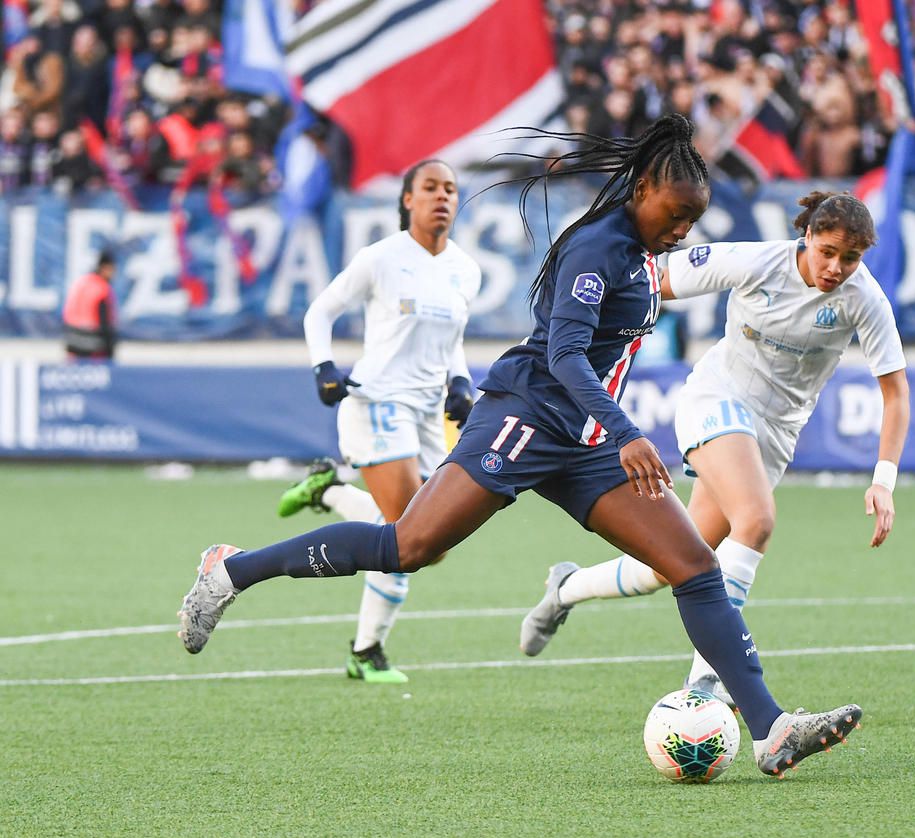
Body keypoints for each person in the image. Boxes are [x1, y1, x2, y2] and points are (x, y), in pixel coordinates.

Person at [178, 114, 862, 778]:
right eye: (677, 214)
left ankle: (771, 729)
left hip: (583, 439)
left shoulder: (642, 253)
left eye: (693, 219)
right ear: (643, 190)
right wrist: (627, 432)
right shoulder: (598, 247)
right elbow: (564, 354)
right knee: (409, 546)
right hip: (526, 417)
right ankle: (231, 571)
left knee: (695, 566)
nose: (684, 229)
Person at [518, 192, 909, 710]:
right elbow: (652, 280)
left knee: (673, 563)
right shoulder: (755, 261)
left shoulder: (865, 298)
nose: (836, 267)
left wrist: (883, 480)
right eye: (828, 252)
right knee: (756, 520)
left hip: (776, 433)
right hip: (718, 399)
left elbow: (895, 393)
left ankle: (567, 587)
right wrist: (580, 321)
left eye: (850, 258)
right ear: (807, 237)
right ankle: (707, 681)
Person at [273, 159, 480, 683]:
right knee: (408, 530)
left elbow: (452, 340)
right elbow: (319, 311)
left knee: (430, 543)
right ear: (408, 199)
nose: (442, 196)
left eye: (450, 189)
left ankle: (328, 490)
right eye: (430, 187)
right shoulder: (382, 258)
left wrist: (460, 381)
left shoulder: (465, 269)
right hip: (378, 402)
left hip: (428, 413)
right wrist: (323, 366)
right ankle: (366, 653)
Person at [63, 251, 118, 360]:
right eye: (112, 270)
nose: (113, 274)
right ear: (104, 268)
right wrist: (110, 351)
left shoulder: (80, 282)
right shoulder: (102, 288)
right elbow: (104, 323)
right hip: (93, 344)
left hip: (71, 341)